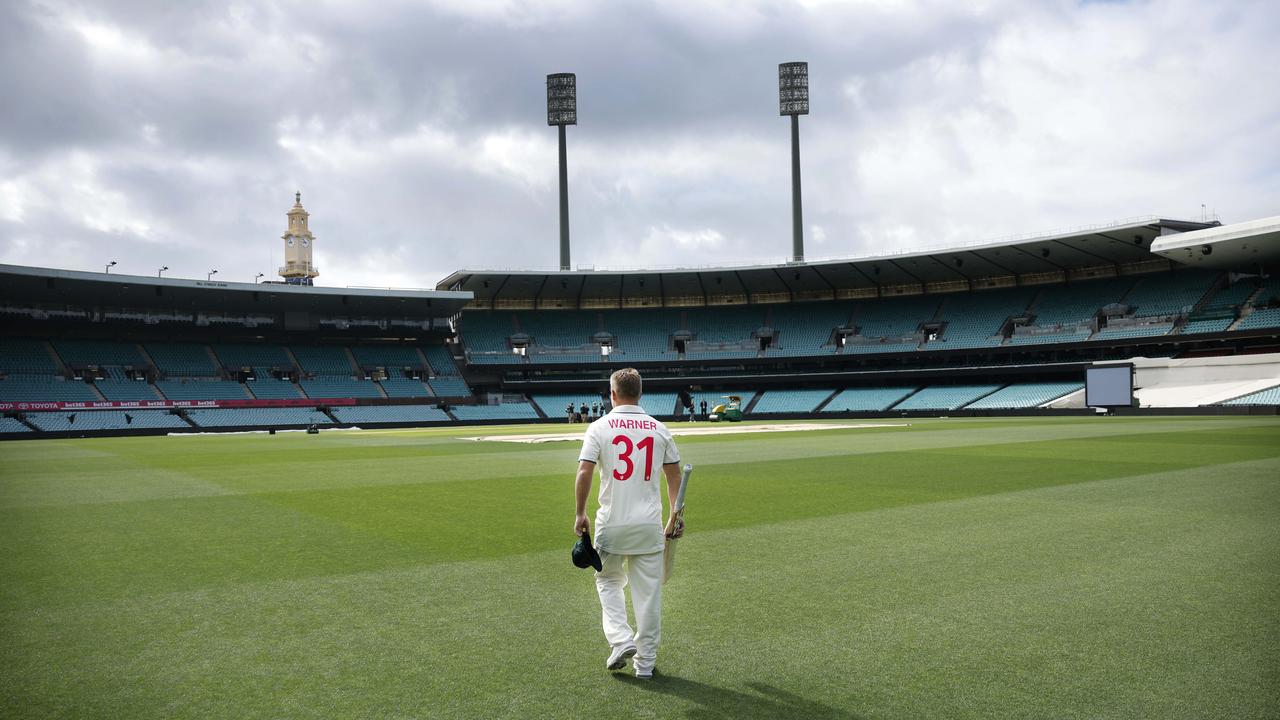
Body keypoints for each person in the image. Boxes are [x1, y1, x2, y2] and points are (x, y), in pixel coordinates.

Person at [574, 368, 683, 679]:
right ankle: (645, 665)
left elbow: (584, 472)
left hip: (612, 524)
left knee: (608, 581)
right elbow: (674, 476)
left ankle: (621, 639)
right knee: (648, 595)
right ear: (640, 393)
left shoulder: (599, 426)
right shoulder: (659, 429)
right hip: (649, 526)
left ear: (612, 394)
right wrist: (676, 514)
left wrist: (580, 513)